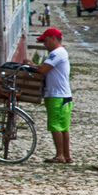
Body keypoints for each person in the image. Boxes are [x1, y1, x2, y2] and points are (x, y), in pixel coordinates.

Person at [35, 26, 73, 164]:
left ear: (53, 38)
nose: (44, 44)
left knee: (55, 126)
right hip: (63, 94)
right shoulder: (61, 52)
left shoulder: (56, 53)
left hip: (56, 95)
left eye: (45, 40)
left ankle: (60, 155)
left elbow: (43, 69)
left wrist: (31, 65)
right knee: (63, 127)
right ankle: (66, 156)